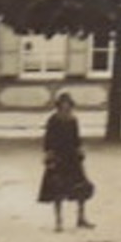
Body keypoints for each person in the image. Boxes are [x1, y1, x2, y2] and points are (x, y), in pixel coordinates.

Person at [38, 93, 94, 231]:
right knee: (57, 190)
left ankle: (81, 218)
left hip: (72, 158)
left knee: (81, 188)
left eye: (68, 105)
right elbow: (48, 140)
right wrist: (49, 156)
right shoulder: (53, 120)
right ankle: (59, 221)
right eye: (64, 105)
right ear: (59, 106)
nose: (66, 108)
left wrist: (80, 150)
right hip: (59, 158)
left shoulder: (73, 120)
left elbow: (77, 139)